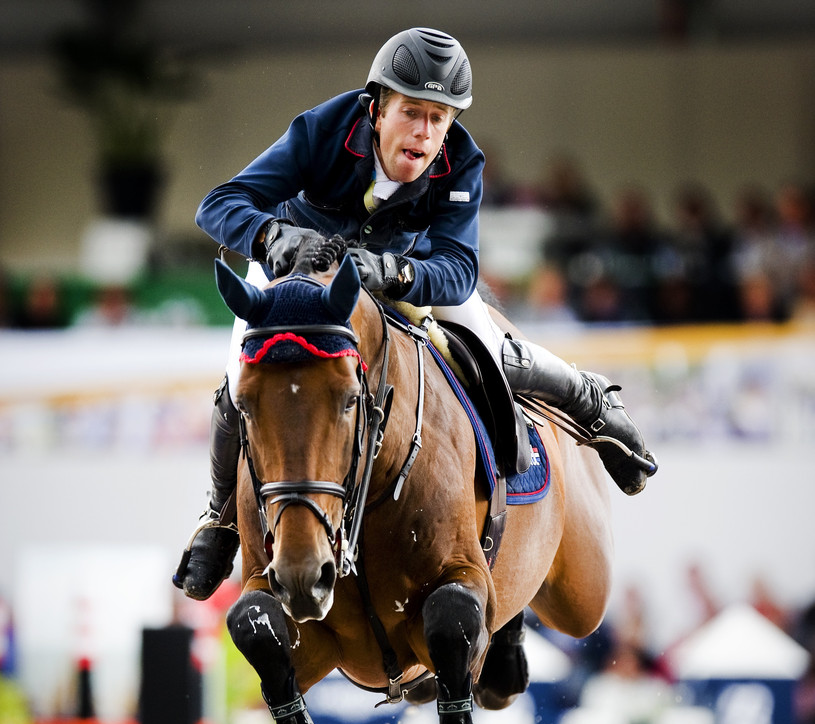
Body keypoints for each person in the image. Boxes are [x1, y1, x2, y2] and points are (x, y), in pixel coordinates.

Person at [174, 27, 657, 601]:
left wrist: (394, 274)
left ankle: (585, 400)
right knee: (239, 376)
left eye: (440, 117)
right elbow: (218, 205)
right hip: (297, 272)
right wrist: (270, 234)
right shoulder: (321, 130)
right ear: (376, 109)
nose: (425, 134)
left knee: (491, 349)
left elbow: (458, 270)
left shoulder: (462, 161)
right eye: (412, 113)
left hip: (399, 273)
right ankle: (220, 517)